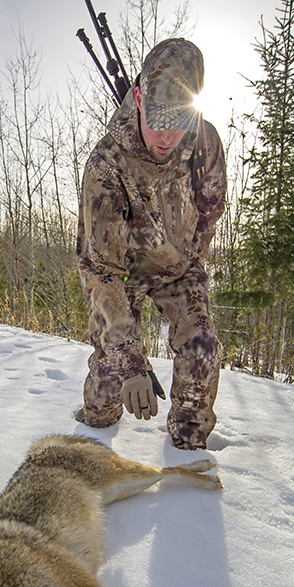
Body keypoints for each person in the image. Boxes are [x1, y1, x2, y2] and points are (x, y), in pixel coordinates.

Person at [74, 38, 226, 450]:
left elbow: (211, 209)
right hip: (121, 277)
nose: (166, 136)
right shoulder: (106, 166)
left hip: (179, 266)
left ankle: (188, 454)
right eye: (157, 119)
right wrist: (131, 358)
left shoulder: (204, 142)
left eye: (178, 122)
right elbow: (100, 270)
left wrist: (187, 261)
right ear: (138, 97)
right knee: (110, 385)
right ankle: (92, 427)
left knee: (203, 349)